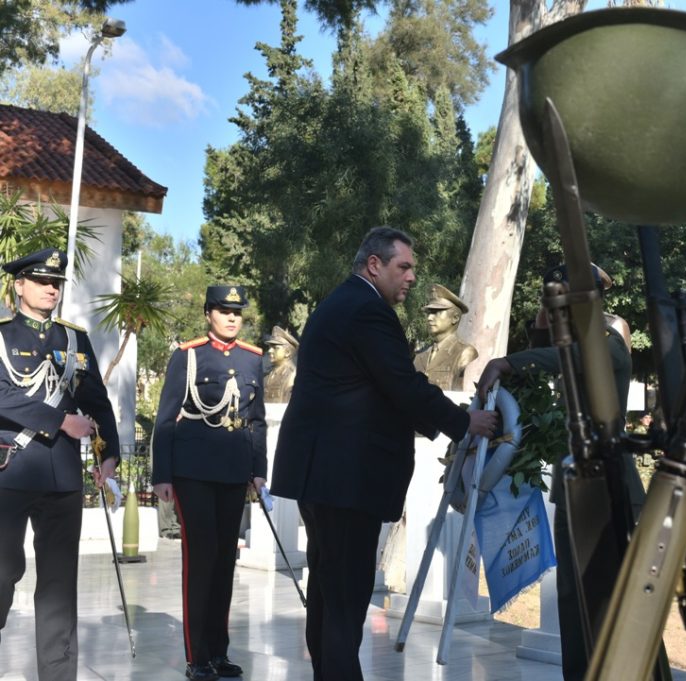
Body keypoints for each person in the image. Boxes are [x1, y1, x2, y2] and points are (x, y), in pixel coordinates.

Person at [270, 226, 497, 681]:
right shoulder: (368, 310)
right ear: (374, 265)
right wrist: (463, 422)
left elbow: (375, 388)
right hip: (345, 479)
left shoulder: (341, 303)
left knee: (330, 594)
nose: (411, 277)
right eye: (404, 267)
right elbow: (401, 383)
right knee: (345, 598)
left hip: (324, 476)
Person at [475, 262, 646, 681]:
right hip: (573, 484)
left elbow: (571, 358)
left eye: (560, 302)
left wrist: (506, 362)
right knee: (572, 595)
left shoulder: (609, 338)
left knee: (614, 596)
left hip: (610, 486)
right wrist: (539, 324)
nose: (555, 313)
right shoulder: (567, 342)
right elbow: (547, 362)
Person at [0, 248, 119, 681]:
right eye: (42, 281)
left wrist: (110, 454)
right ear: (19, 285)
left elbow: (96, 400)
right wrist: (60, 421)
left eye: (56, 283)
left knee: (57, 588)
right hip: (11, 471)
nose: (52, 289)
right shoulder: (2, 336)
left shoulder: (74, 340)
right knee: (3, 570)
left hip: (63, 476)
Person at [151, 285, 268, 681]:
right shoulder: (187, 356)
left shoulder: (253, 359)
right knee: (201, 560)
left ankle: (219, 652)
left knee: (223, 563)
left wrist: (258, 469)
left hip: (234, 471)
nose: (232, 317)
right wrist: (162, 475)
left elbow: (256, 421)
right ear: (208, 314)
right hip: (194, 471)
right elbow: (166, 419)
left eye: (237, 312)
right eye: (224, 310)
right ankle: (197, 656)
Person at [412, 284, 478, 391]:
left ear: (455, 318)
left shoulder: (465, 353)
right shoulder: (420, 355)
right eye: (429, 312)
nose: (429, 318)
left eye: (436, 312)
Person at [264, 325, 299, 403]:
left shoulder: (293, 375)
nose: (269, 351)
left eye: (275, 348)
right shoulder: (268, 376)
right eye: (270, 347)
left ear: (287, 352)